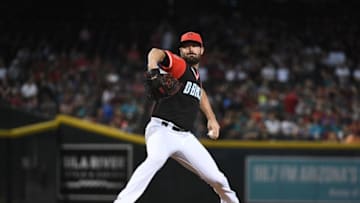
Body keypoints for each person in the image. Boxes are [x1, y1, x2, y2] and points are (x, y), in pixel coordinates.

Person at [113, 31, 240, 203]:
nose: (190, 50)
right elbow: (156, 52)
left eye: (194, 46)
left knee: (218, 179)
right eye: (186, 47)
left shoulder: (195, 77)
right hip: (161, 131)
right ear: (180, 52)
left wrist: (212, 119)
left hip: (185, 137)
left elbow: (200, 92)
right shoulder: (180, 65)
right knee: (155, 160)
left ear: (202, 50)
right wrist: (153, 67)